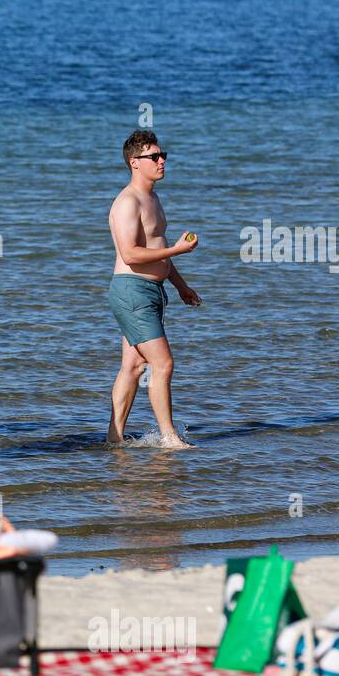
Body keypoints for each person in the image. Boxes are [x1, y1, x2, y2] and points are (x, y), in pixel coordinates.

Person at [106, 131, 201, 448]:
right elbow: (131, 254)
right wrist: (176, 251)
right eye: (154, 157)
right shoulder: (127, 203)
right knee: (163, 364)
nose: (162, 162)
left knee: (132, 366)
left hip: (152, 291)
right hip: (132, 291)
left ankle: (113, 439)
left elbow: (157, 248)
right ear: (135, 163)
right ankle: (169, 437)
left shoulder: (153, 199)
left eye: (164, 156)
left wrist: (181, 286)